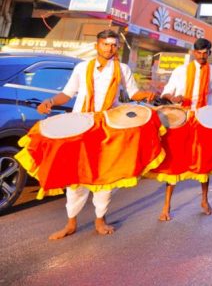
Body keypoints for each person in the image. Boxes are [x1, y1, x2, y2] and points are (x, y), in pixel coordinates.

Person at [35, 29, 157, 239]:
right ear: (96, 45)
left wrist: (145, 94)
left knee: (105, 176)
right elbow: (67, 94)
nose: (110, 48)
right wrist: (51, 102)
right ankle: (71, 223)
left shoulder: (123, 69)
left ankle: (100, 219)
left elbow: (133, 93)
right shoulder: (82, 68)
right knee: (76, 177)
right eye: (106, 44)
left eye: (114, 44)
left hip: (108, 127)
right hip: (79, 126)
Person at [156, 38, 212, 221]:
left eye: (205, 53)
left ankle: (205, 201)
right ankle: (166, 206)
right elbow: (166, 93)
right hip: (182, 120)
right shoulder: (180, 70)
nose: (201, 56)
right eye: (198, 53)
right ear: (193, 52)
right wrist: (173, 99)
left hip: (203, 120)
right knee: (174, 162)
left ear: (209, 52)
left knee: (204, 162)